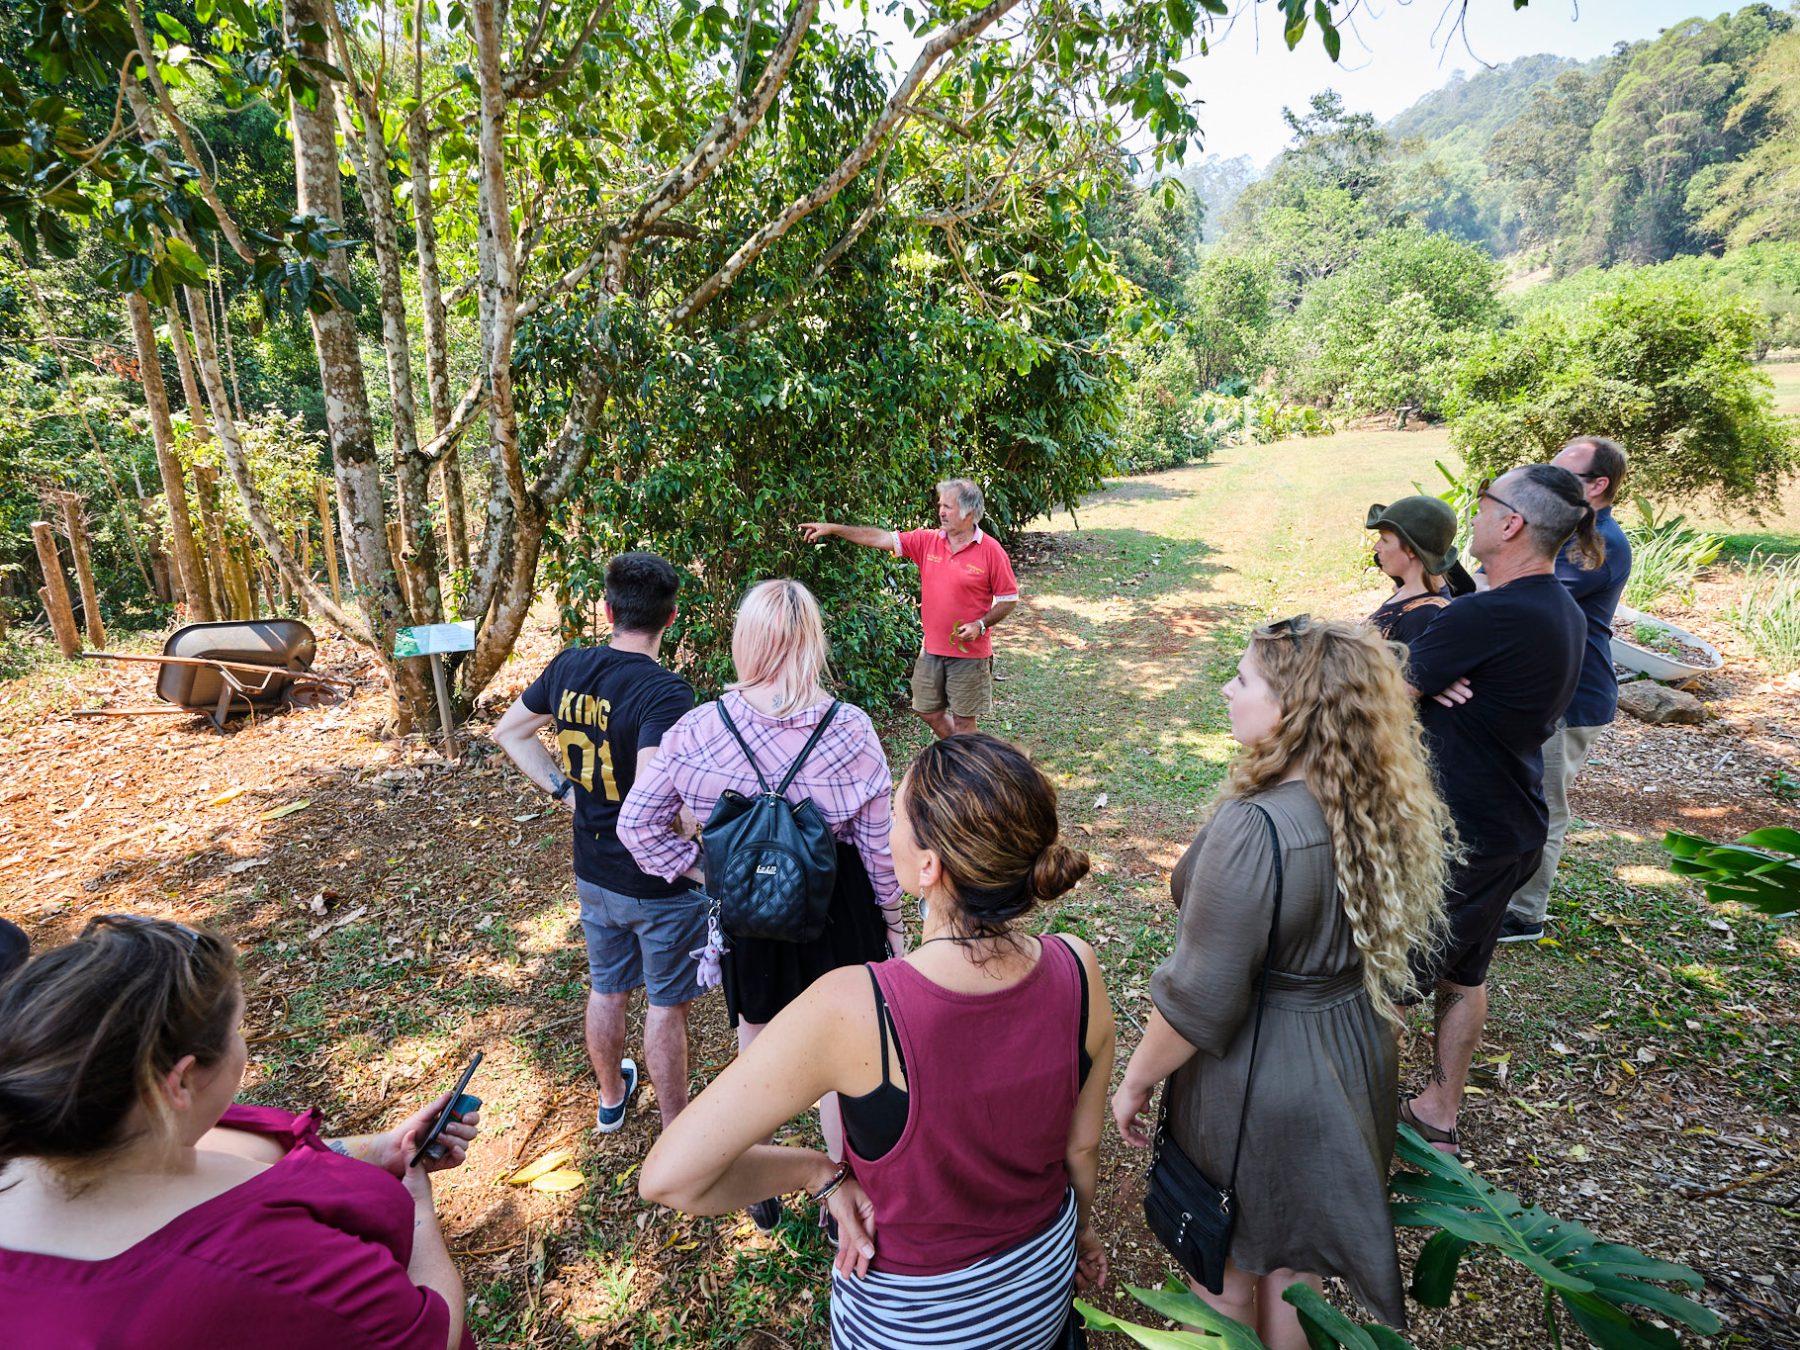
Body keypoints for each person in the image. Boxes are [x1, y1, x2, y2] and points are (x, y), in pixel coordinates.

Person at [639, 733, 1112, 1349]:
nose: (883, 826)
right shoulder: (1079, 967)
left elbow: (670, 1178)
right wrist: (1079, 1231)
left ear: (927, 867)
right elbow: (1083, 1151)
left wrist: (818, 1173)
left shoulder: (854, 1006)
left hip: (915, 1322)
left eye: (893, 814)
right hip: (1041, 1282)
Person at [1112, 619, 1452, 1346]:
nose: (1227, 689)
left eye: (1244, 680)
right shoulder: (1374, 803)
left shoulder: (1256, 827)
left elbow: (1200, 1000)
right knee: (1297, 1273)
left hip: (1256, 1075)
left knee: (1223, 1273)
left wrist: (1135, 1082)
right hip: (1349, 1053)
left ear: (1293, 708)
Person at [0, 915, 478, 1349]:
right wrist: (418, 1210)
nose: (241, 1042)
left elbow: (253, 1163)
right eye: (237, 1028)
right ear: (181, 1081)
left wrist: (381, 1150)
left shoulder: (79, 1130)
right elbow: (431, 1333)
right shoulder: (268, 1263)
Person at [619, 578, 904, 1237]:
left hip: (750, 915)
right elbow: (877, 851)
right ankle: (843, 1186)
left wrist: (706, 873)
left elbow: (639, 826)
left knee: (758, 1049)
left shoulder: (696, 730)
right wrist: (892, 923)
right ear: (812, 643)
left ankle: (755, 1179)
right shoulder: (851, 731)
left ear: (746, 641)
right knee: (845, 1057)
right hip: (839, 914)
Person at [1399, 464, 1597, 1156]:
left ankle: (1352, 1120)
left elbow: (1376, 692)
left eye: (1483, 505)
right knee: (1464, 974)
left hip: (1461, 837)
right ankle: (1439, 1108)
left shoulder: (1488, 615)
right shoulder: (1558, 609)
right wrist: (1429, 669)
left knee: (1387, 984)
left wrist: (1417, 673)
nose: (1474, 515)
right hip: (1513, 826)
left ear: (1510, 523)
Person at [493, 551, 702, 1136]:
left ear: (608, 610)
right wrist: (695, 829)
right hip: (656, 880)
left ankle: (612, 1098)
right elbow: (659, 797)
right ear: (672, 616)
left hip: (592, 868)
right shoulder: (665, 693)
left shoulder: (568, 666)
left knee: (607, 987)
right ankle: (674, 1128)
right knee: (665, 1004)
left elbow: (510, 731)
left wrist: (567, 791)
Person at [1498, 437, 1633, 944]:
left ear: (1598, 485)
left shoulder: (1600, 543)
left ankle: (1525, 914)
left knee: (1543, 805)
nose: (1548, 482)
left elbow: (1521, 594)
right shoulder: (1567, 533)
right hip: (1547, 690)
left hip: (1573, 697)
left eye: (1565, 475)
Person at [799, 478, 1019, 737]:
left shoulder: (991, 551)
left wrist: (980, 625)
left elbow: (1008, 599)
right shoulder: (927, 541)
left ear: (968, 513)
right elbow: (880, 538)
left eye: (948, 507)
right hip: (932, 649)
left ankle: (968, 766)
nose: (941, 512)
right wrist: (834, 528)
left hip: (969, 654)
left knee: (965, 724)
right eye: (941, 505)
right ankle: (965, 753)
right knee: (927, 710)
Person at [1364, 496, 1460, 643]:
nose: (1376, 547)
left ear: (1411, 550)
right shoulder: (1408, 591)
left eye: (1384, 540)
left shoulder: (1423, 616)